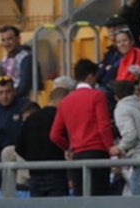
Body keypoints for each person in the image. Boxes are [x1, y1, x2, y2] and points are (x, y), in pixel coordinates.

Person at [50, 59, 119, 196]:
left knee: (81, 200)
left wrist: (68, 148)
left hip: (77, 156)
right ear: (90, 76)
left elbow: (54, 135)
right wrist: (109, 147)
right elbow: (104, 126)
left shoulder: (65, 101)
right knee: (99, 199)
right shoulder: (97, 96)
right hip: (97, 153)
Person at [17, 81, 72, 197]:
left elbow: (19, 147)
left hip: (35, 174)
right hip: (58, 173)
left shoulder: (31, 119)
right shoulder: (61, 119)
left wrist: (33, 160)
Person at [113, 78, 140, 196]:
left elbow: (130, 134)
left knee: (138, 203)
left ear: (116, 97)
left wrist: (119, 148)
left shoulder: (121, 109)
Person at [0, 25, 36, 102]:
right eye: (3, 40)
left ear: (18, 39)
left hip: (22, 99)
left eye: (9, 39)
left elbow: (24, 87)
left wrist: (5, 97)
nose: (6, 43)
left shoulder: (26, 57)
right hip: (8, 97)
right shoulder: (4, 59)